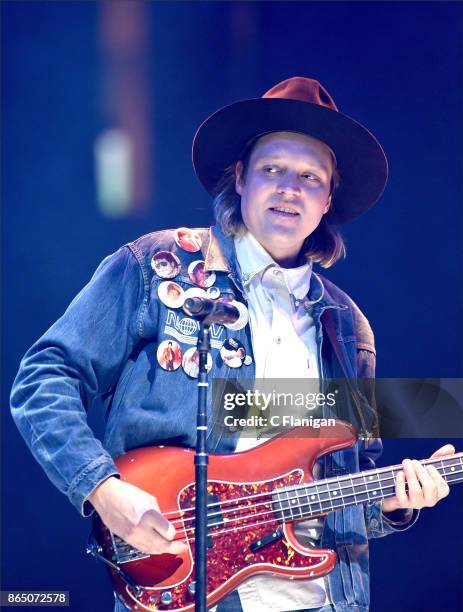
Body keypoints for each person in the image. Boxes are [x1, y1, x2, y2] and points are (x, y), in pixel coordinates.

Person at [10, 77, 454, 612]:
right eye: (272, 169)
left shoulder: (348, 326)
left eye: (310, 176)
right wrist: (102, 489)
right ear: (240, 178)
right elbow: (45, 376)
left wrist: (394, 502)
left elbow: (350, 480)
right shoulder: (161, 266)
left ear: (328, 199)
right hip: (187, 583)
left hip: (322, 597)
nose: (290, 188)